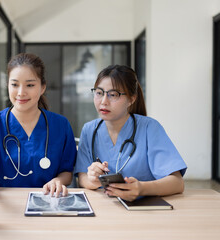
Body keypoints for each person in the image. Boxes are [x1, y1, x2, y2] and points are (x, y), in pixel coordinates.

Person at [74, 65, 187, 201]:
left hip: (143, 210)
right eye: (99, 93)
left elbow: (177, 183)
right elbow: (82, 177)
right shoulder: (89, 130)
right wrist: (92, 180)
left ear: (131, 99)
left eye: (113, 95)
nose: (104, 101)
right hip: (103, 210)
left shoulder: (149, 128)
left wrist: (141, 188)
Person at [0, 53, 77, 197]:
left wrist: (57, 181)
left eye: (30, 85)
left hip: (48, 202)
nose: (21, 92)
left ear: (42, 87)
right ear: (7, 85)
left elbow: (67, 172)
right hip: (9, 207)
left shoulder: (60, 125)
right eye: (14, 84)